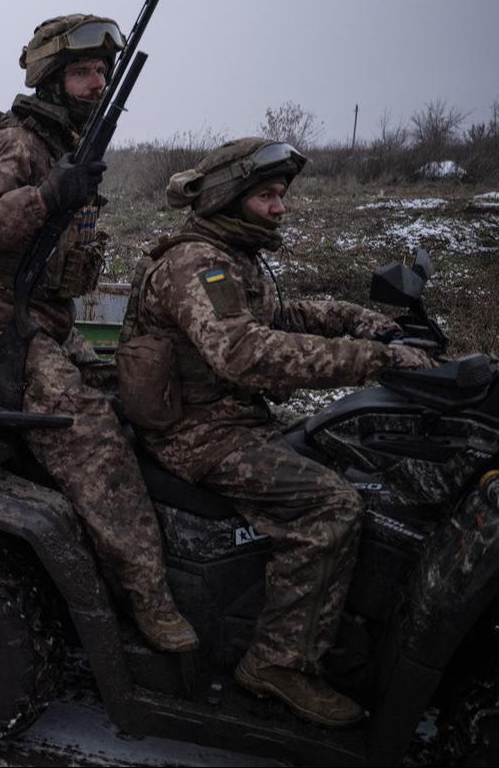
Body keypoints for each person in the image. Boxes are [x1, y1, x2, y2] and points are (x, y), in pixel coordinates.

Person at [117, 137, 434, 726]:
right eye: (267, 196)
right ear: (232, 199)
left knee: (359, 459)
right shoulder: (197, 264)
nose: (279, 208)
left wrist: (358, 320)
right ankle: (275, 663)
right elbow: (242, 353)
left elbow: (273, 317)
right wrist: (373, 359)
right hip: (198, 433)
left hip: (233, 416)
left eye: (281, 196)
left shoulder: (233, 257)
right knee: (331, 508)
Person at [0, 14, 198, 652]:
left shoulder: (66, 143)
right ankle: (147, 599)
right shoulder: (20, 144)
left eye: (102, 71)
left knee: (144, 389)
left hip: (45, 323)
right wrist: (46, 197)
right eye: (82, 71)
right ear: (51, 79)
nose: (97, 82)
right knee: (94, 436)